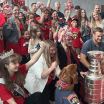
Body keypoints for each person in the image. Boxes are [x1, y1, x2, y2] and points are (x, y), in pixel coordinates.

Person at [24, 40, 61, 104]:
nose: (54, 52)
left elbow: (59, 73)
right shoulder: (39, 59)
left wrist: (67, 76)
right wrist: (51, 68)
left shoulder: (53, 58)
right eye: (51, 50)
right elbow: (41, 76)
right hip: (35, 87)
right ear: (46, 50)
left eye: (55, 50)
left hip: (45, 85)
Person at [56, 25, 81, 99]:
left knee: (77, 83)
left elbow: (75, 62)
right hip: (63, 74)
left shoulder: (71, 49)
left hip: (70, 72)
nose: (70, 41)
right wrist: (61, 37)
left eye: (72, 40)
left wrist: (80, 71)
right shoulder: (60, 47)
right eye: (68, 39)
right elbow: (56, 45)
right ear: (64, 39)